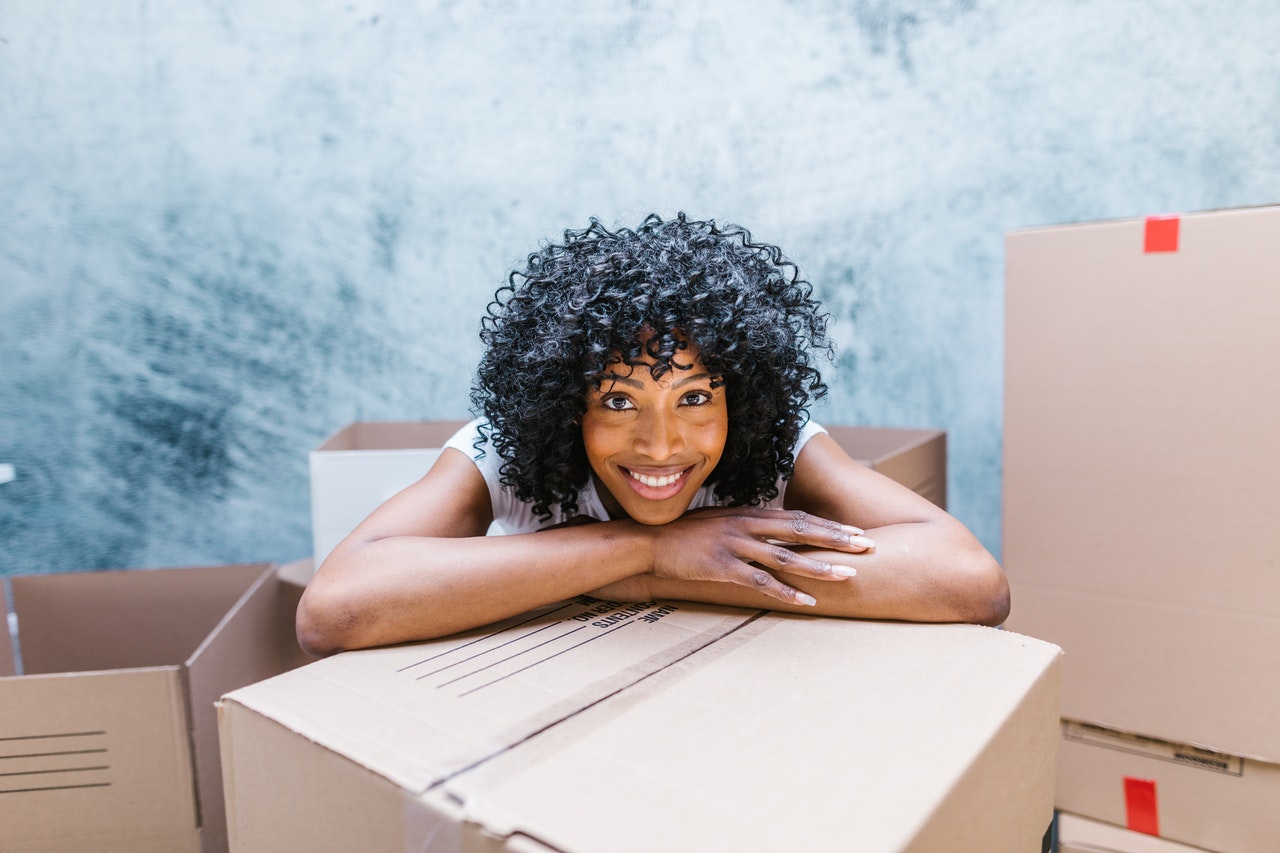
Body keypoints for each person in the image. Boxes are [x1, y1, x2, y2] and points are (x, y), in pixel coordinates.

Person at [297, 213, 1009, 655]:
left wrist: (642, 575)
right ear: (563, 405)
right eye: (617, 399)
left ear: (745, 395)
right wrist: (654, 550)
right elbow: (333, 612)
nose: (663, 445)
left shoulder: (776, 446)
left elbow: (970, 582)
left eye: (695, 395)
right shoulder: (506, 450)